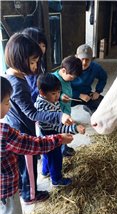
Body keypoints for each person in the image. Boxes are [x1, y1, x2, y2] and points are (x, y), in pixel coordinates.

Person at [0, 76, 73, 214]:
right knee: (11, 212)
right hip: (6, 186)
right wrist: (59, 139)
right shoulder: (4, 132)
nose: (10, 107)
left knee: (7, 213)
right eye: (7, 102)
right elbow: (32, 145)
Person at [4, 32, 73, 204]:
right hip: (22, 131)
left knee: (25, 165)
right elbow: (32, 113)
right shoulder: (18, 85)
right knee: (29, 165)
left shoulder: (15, 76)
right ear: (20, 60)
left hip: (21, 126)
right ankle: (30, 195)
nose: (35, 67)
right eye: (33, 62)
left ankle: (24, 187)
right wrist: (59, 115)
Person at [35, 73, 85, 185]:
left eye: (58, 92)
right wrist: (75, 128)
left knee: (47, 155)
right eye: (54, 93)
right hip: (50, 133)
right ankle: (56, 179)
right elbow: (59, 127)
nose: (57, 96)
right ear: (42, 92)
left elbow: (58, 112)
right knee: (56, 157)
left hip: (45, 133)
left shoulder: (46, 99)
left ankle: (45, 171)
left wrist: (61, 98)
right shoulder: (45, 108)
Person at [52, 55, 83, 156]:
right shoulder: (52, 79)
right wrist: (60, 96)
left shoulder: (67, 78)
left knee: (66, 129)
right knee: (59, 130)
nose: (72, 79)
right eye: (71, 77)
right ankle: (60, 149)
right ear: (63, 70)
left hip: (66, 109)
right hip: (57, 113)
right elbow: (48, 94)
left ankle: (64, 146)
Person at [71, 44, 108, 114]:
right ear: (76, 57)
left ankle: (90, 109)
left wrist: (98, 91)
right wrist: (79, 95)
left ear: (91, 59)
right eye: (82, 59)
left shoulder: (95, 67)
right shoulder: (69, 66)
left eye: (87, 60)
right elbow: (62, 87)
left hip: (87, 95)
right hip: (70, 95)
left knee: (105, 105)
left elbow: (104, 77)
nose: (84, 63)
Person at [22, 27, 48, 102]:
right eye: (39, 44)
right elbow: (32, 90)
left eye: (44, 45)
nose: (42, 48)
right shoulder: (28, 66)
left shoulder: (40, 61)